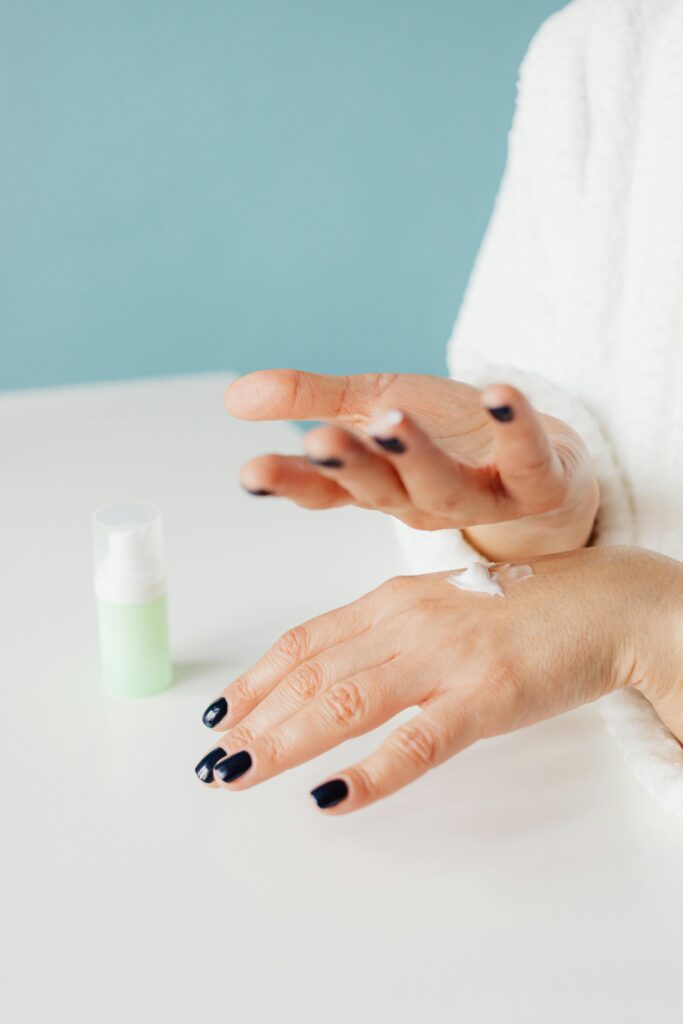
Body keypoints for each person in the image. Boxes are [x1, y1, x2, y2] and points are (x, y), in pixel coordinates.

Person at [195, 0, 683, 816]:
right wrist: (537, 512)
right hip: (578, 802)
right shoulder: (607, 49)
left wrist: (649, 622)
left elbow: (622, 609)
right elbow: (539, 380)